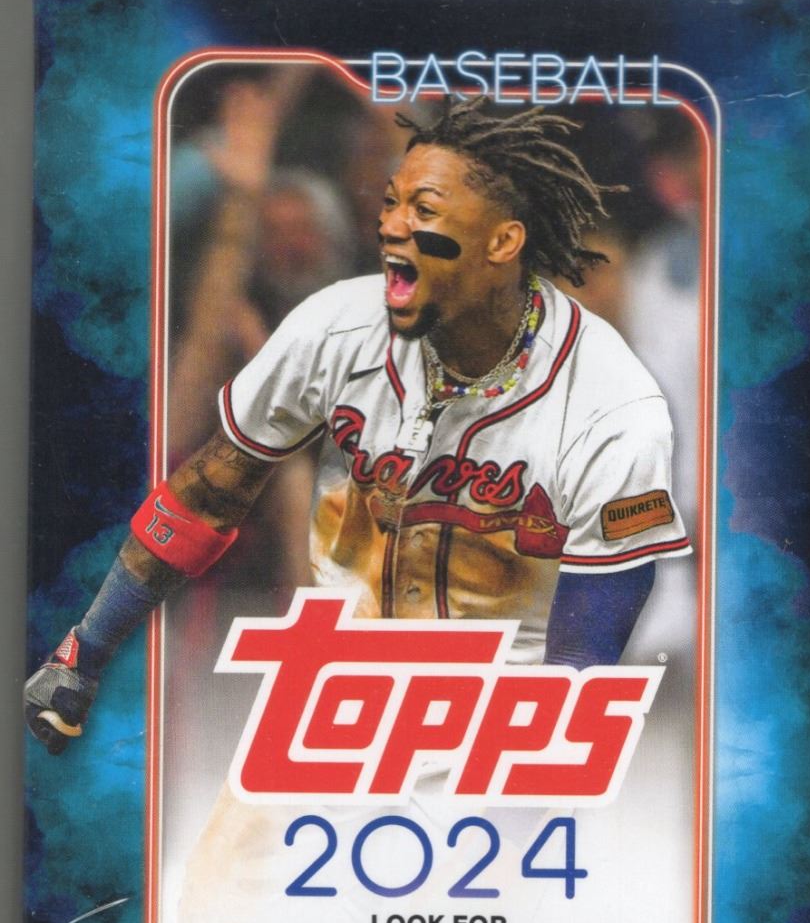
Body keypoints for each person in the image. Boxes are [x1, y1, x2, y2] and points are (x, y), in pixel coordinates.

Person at [26, 97, 690, 753]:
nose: (392, 225)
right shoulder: (334, 327)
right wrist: (84, 651)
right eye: (392, 202)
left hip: (532, 703)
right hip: (347, 687)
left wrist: (542, 744)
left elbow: (604, 599)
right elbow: (207, 490)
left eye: (425, 210)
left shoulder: (612, 398)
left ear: (502, 241)